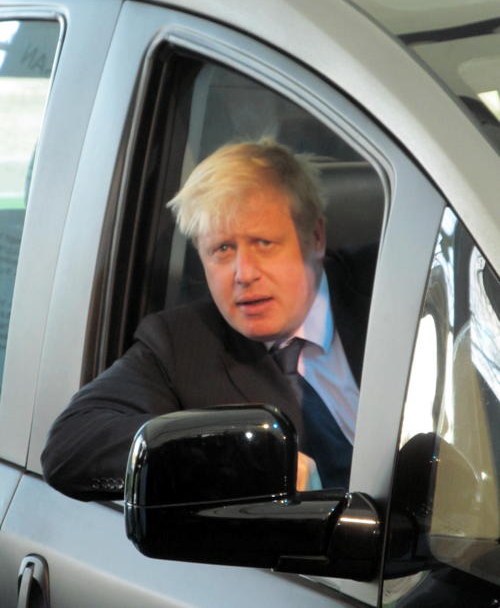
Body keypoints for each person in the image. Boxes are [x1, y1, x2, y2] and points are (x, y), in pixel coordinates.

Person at [41, 140, 375, 501]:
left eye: (263, 243)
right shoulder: (181, 344)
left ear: (315, 238)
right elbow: (70, 448)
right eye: (222, 250)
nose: (243, 274)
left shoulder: (392, 283)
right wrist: (234, 456)